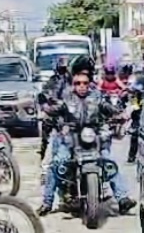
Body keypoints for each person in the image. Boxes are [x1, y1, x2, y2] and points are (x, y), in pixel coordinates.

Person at [39, 57, 136, 216]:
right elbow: (55, 108)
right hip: (71, 138)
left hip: (93, 137)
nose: (82, 86)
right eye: (78, 82)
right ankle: (47, 202)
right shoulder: (66, 95)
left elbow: (108, 107)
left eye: (85, 81)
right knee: (56, 164)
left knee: (109, 161)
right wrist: (47, 110)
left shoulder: (97, 96)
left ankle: (122, 198)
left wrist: (120, 114)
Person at [37, 57, 71, 163]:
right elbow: (44, 94)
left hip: (71, 111)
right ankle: (43, 154)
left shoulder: (75, 81)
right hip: (55, 112)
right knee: (46, 128)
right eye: (61, 69)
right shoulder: (52, 81)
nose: (62, 72)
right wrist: (46, 105)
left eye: (64, 69)